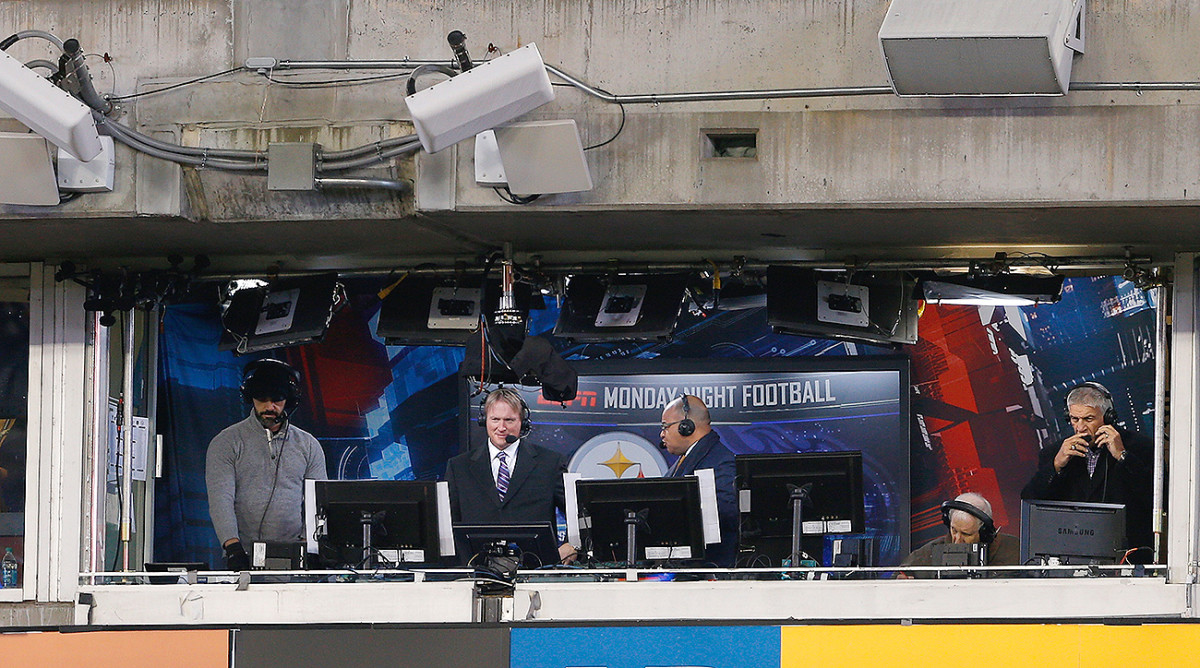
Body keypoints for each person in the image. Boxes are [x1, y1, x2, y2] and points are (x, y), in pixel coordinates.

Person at [206, 359, 326, 571]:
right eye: (262, 398)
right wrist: (232, 548)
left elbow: (317, 504)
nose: (270, 407)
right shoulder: (225, 442)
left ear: (289, 400)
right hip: (243, 557)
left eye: (277, 399)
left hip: (296, 560)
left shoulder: (309, 446)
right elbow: (221, 500)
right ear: (249, 396)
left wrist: (313, 549)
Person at [1020, 382, 1154, 560]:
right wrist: (1056, 466)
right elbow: (1029, 501)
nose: (1080, 427)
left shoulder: (1140, 447)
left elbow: (1155, 497)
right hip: (1070, 558)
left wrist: (1123, 456)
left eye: (1088, 419)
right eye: (1075, 419)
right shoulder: (1053, 453)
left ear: (1108, 418)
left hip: (1127, 558)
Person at [444, 388, 577, 565]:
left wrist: (572, 545)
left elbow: (576, 512)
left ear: (523, 422)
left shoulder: (550, 463)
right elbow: (446, 522)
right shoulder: (458, 467)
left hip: (535, 568)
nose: (501, 427)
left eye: (509, 420)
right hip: (475, 569)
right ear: (484, 421)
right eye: (495, 419)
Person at [660, 395, 738, 567]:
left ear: (686, 426)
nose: (662, 434)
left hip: (709, 569)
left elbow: (727, 515)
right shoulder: (688, 459)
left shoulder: (720, 461)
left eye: (665, 426)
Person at [898, 492, 1019, 577]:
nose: (957, 540)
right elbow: (899, 575)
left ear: (984, 532)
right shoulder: (930, 552)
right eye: (954, 530)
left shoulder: (1015, 550)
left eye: (966, 534)